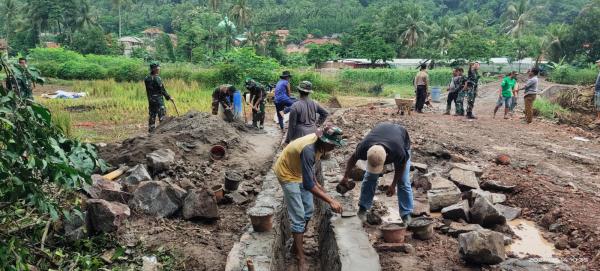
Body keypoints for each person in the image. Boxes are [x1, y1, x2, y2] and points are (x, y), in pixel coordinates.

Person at [273, 125, 344, 271]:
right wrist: (330, 200)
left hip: (298, 172)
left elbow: (309, 167)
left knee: (309, 210)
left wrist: (316, 182)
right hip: (286, 174)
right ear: (326, 142)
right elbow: (308, 185)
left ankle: (295, 245)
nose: (334, 149)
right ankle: (300, 256)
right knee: (298, 216)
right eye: (333, 145)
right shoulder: (308, 149)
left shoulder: (319, 145)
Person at [338, 122, 413, 224]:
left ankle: (406, 214)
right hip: (382, 133)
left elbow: (401, 166)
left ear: (387, 156)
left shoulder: (399, 151)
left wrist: (393, 184)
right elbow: (352, 159)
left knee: (403, 181)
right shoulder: (364, 148)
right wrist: (345, 176)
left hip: (401, 138)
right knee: (370, 177)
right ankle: (363, 208)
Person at [144, 62, 172, 132]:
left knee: (152, 115)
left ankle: (151, 131)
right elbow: (162, 89)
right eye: (157, 68)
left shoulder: (146, 78)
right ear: (154, 69)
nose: (159, 69)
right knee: (162, 116)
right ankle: (162, 132)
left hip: (151, 100)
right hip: (158, 100)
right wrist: (169, 97)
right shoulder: (157, 78)